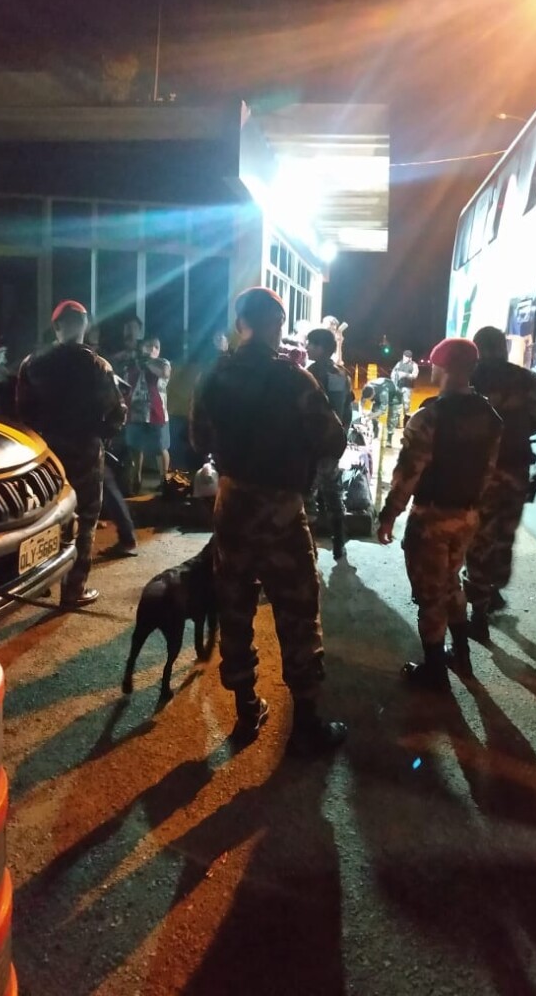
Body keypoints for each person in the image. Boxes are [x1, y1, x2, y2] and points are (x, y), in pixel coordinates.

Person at [191, 287, 348, 754]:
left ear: (240, 323)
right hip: (281, 509)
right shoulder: (295, 379)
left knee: (235, 608)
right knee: (298, 611)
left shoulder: (213, 376)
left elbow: (199, 440)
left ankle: (246, 708)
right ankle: (306, 722)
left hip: (233, 505)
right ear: (278, 324)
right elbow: (333, 439)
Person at [377, 338, 502, 688]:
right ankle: (461, 654)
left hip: (432, 518)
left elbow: (408, 472)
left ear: (442, 367)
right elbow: (489, 472)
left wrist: (389, 515)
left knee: (430, 594)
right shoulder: (489, 416)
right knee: (450, 582)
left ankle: (435, 672)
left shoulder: (429, 417)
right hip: (467, 516)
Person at [17, 300, 125, 607]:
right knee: (85, 520)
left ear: (56, 326)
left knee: (44, 518)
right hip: (85, 453)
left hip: (45, 456)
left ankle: (39, 582)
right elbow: (117, 413)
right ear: (85, 326)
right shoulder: (99, 366)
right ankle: (73, 589)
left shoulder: (32, 363)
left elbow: (22, 411)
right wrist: (102, 435)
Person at [464, 326, 536, 641]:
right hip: (516, 470)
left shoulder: (471, 378)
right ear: (504, 347)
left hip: (480, 472)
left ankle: (479, 613)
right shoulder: (529, 381)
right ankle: (494, 589)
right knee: (504, 534)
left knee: (478, 539)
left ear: (477, 349)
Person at [84, 328, 138, 557]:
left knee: (103, 484)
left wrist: (105, 432)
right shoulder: (98, 364)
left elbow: (119, 402)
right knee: (105, 484)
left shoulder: (95, 364)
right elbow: (120, 403)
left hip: (80, 437)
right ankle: (127, 537)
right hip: (91, 436)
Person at [305, 327, 355, 560]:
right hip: (334, 443)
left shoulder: (310, 374)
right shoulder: (342, 373)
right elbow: (348, 409)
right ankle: (339, 542)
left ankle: (309, 547)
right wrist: (341, 434)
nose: (306, 347)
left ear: (321, 348)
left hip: (313, 444)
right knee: (333, 492)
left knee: (308, 496)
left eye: (310, 343)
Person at [125, 336, 172, 492]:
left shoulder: (163, 363)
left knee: (161, 448)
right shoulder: (132, 364)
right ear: (142, 347)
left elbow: (164, 372)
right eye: (149, 346)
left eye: (156, 347)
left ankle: (165, 481)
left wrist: (146, 361)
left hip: (157, 414)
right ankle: (136, 479)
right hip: (135, 414)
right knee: (135, 448)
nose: (152, 349)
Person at [360, 376, 402, 446]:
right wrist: (361, 412)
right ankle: (375, 432)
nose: (369, 400)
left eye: (370, 398)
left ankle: (389, 439)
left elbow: (382, 410)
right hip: (379, 396)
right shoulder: (367, 387)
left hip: (394, 397)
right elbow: (362, 401)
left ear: (373, 393)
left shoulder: (383, 393)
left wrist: (369, 417)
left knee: (392, 417)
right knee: (373, 412)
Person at [391, 349, 419, 423]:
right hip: (398, 386)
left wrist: (405, 375)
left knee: (406, 404)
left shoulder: (414, 365)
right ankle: (396, 422)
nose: (406, 359)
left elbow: (415, 375)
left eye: (407, 357)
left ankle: (406, 421)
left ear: (410, 358)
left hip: (407, 387)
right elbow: (393, 373)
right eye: (405, 357)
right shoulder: (399, 363)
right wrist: (394, 380)